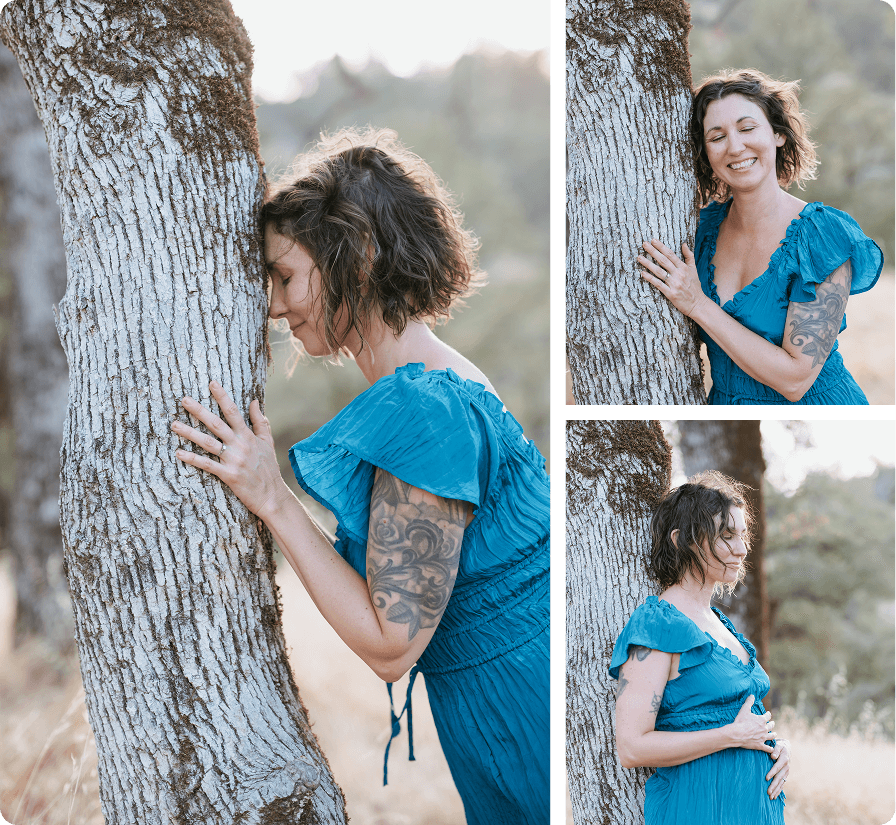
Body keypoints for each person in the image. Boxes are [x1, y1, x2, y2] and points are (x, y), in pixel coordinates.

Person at [169, 127, 550, 825]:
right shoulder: (443, 379)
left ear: (360, 255)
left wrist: (271, 498)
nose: (274, 306)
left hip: (525, 714)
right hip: (512, 705)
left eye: (285, 275)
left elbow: (389, 643)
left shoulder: (426, 407)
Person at [637, 69, 883, 404]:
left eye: (747, 128)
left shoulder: (822, 236)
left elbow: (796, 380)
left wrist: (698, 304)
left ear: (778, 134)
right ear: (706, 153)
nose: (735, 147)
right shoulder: (699, 230)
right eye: (717, 137)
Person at [609, 471, 790, 824]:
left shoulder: (721, 625)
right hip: (698, 809)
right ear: (682, 541)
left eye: (741, 535)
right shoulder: (658, 624)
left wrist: (779, 746)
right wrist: (730, 736)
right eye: (726, 536)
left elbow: (744, 716)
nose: (742, 548)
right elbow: (631, 747)